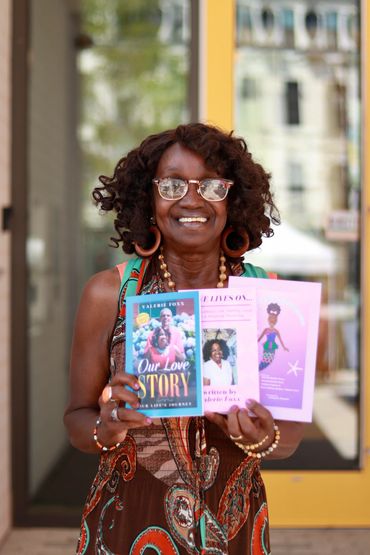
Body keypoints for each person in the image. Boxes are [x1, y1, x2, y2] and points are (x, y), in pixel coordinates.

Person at [64, 122, 304, 554]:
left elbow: (286, 441)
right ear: (149, 197)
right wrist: (108, 426)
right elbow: (77, 421)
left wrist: (259, 437)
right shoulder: (110, 293)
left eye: (211, 186)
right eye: (173, 185)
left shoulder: (269, 296)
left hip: (234, 528)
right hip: (128, 523)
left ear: (232, 199)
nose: (192, 199)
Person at [258, 302, 289, 371]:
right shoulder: (266, 330)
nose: (272, 323)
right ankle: (258, 369)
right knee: (265, 360)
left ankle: (259, 369)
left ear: (275, 322)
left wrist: (284, 347)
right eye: (270, 321)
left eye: (273, 321)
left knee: (269, 360)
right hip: (267, 347)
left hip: (272, 347)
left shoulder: (276, 331)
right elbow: (259, 339)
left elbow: (281, 340)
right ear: (268, 321)